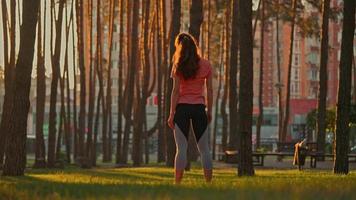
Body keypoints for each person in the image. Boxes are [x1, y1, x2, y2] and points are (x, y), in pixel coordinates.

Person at [167, 33, 213, 184]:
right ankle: (208, 183)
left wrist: (172, 113)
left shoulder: (178, 65)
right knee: (204, 149)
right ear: (195, 46)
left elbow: (175, 91)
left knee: (181, 148)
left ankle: (177, 184)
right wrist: (209, 110)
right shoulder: (206, 65)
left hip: (182, 109)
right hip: (199, 108)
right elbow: (210, 90)